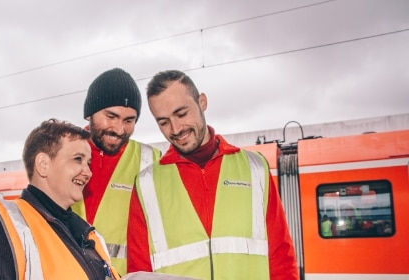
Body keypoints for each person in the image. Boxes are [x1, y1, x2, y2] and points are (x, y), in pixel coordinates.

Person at [127, 70, 299, 279]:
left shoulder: (255, 167)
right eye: (163, 122)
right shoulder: (147, 183)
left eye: (182, 114)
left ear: (202, 102)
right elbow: (139, 270)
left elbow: (280, 256)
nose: (176, 128)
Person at [0, 119, 120, 280]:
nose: (88, 172)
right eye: (78, 159)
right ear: (43, 165)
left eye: (89, 163)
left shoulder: (88, 235)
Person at [71, 68, 162, 275]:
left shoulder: (153, 160)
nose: (119, 129)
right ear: (89, 114)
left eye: (129, 120)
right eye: (111, 116)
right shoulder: (59, 154)